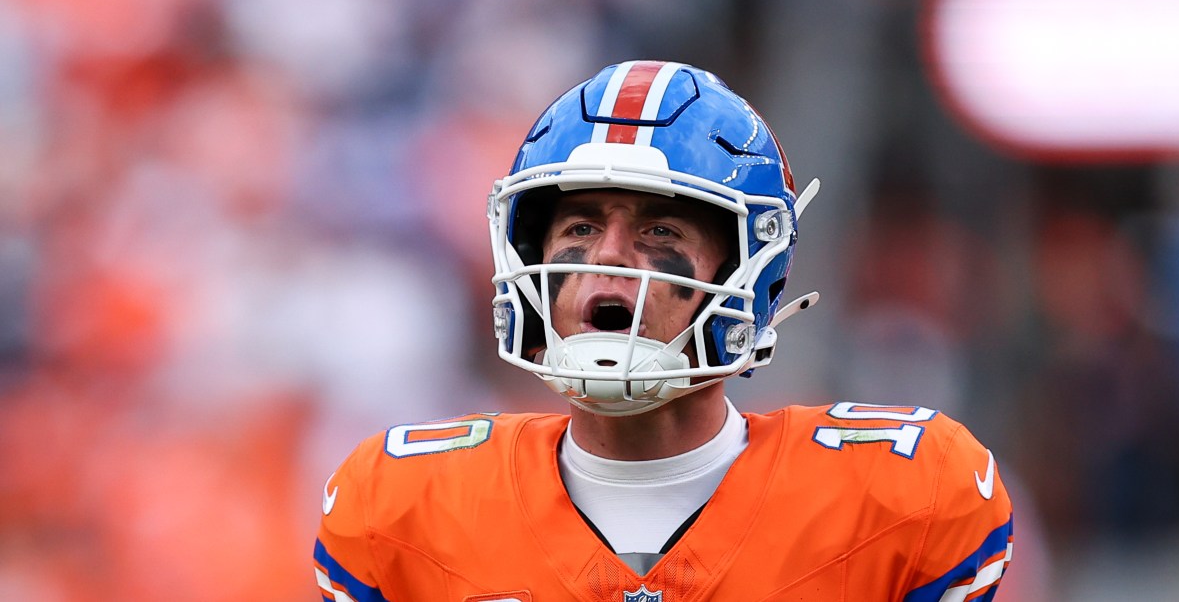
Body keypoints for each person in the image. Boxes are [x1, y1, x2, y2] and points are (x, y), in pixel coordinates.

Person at [313, 60, 1014, 601]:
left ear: (746, 273)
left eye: (659, 229)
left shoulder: (897, 500)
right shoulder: (405, 510)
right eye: (581, 226)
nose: (610, 255)